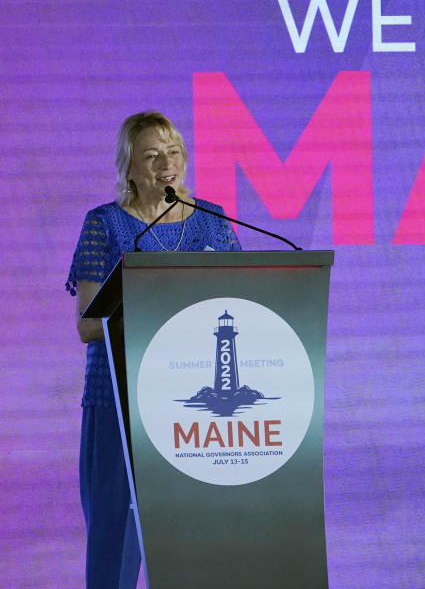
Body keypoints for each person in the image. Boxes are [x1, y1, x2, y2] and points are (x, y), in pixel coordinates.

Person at [66, 111, 241, 587]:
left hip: (194, 404)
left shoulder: (212, 221)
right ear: (129, 167)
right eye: (151, 155)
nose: (166, 163)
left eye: (173, 152)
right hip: (119, 399)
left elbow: (246, 300)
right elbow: (87, 324)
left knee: (197, 535)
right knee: (114, 536)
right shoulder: (104, 224)